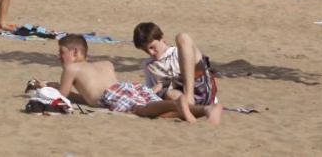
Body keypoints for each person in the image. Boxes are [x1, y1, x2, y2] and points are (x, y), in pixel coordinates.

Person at [54, 33, 221, 123]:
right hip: (129, 87)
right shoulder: (105, 64)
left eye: (61, 53)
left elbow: (63, 96)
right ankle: (207, 109)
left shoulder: (71, 68)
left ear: (75, 52)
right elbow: (88, 96)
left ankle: (177, 103)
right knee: (159, 112)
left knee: (141, 110)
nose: (59, 57)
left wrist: (49, 86)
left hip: (113, 94)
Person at [132, 22, 219, 109]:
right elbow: (153, 92)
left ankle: (190, 98)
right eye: (146, 50)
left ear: (162, 39)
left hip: (199, 87)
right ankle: (190, 107)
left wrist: (165, 84)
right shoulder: (148, 65)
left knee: (182, 37)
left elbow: (200, 68)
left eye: (152, 47)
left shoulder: (178, 51)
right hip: (181, 98)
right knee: (168, 94)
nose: (151, 52)